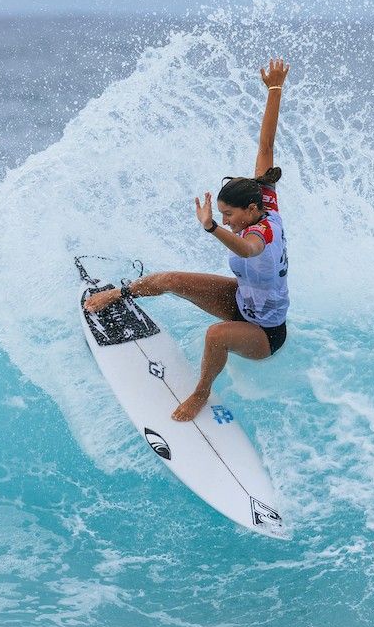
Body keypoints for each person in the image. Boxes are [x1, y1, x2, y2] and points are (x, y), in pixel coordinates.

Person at [84, 58, 292, 421]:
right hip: (242, 300)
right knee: (170, 279)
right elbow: (266, 146)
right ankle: (118, 294)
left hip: (265, 333)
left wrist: (212, 228)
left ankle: (201, 393)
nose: (226, 221)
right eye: (221, 215)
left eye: (229, 215)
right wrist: (275, 89)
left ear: (250, 209)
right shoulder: (264, 199)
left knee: (216, 335)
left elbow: (248, 249)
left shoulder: (262, 235)